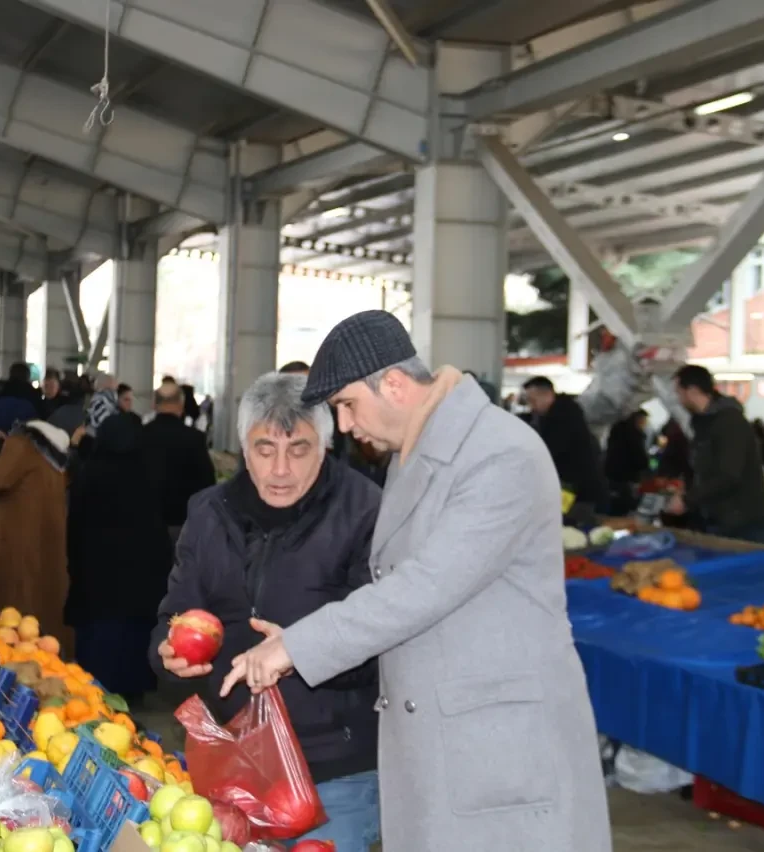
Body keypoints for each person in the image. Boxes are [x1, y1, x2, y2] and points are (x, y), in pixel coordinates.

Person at [221, 311, 610, 852]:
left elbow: (424, 587)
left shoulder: (501, 454)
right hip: (446, 745)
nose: (347, 426)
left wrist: (297, 645)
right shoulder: (416, 454)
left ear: (396, 385)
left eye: (348, 405)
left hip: (497, 751)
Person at [153, 371, 383, 852]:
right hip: (230, 767)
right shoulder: (209, 513)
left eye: (298, 449)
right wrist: (168, 655)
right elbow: (173, 617)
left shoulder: (366, 511)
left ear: (324, 444)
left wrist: (303, 649)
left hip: (332, 772)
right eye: (264, 450)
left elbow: (384, 643)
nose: (280, 469)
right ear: (242, 447)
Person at [68, 411, 173, 704]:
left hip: (97, 578)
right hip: (139, 578)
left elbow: (75, 526)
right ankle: (132, 695)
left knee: (99, 643)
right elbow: (157, 529)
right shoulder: (147, 473)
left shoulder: (89, 473)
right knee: (133, 639)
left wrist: (74, 566)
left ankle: (94, 695)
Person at [0, 420, 70, 646]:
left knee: (16, 611)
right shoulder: (58, 455)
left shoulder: (21, 444)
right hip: (49, 539)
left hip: (18, 539)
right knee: (47, 605)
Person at [668, 365, 764, 543]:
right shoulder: (703, 423)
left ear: (692, 391)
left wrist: (687, 499)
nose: (679, 399)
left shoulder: (729, 423)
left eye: (679, 393)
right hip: (719, 520)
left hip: (742, 523)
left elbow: (729, 475)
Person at [140, 383, 215, 545]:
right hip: (183, 523)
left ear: (154, 405)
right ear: (181, 405)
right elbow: (207, 482)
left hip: (145, 523)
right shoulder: (194, 438)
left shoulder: (140, 435)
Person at [522, 375, 607, 511]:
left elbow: (551, 451)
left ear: (548, 395)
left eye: (533, 400)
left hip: (576, 490)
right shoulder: (551, 416)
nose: (531, 406)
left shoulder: (565, 416)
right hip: (567, 487)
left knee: (570, 526)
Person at [604, 409, 650, 515]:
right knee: (624, 508)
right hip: (626, 479)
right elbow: (640, 459)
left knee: (613, 507)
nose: (644, 423)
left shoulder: (616, 431)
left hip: (612, 477)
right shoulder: (634, 436)